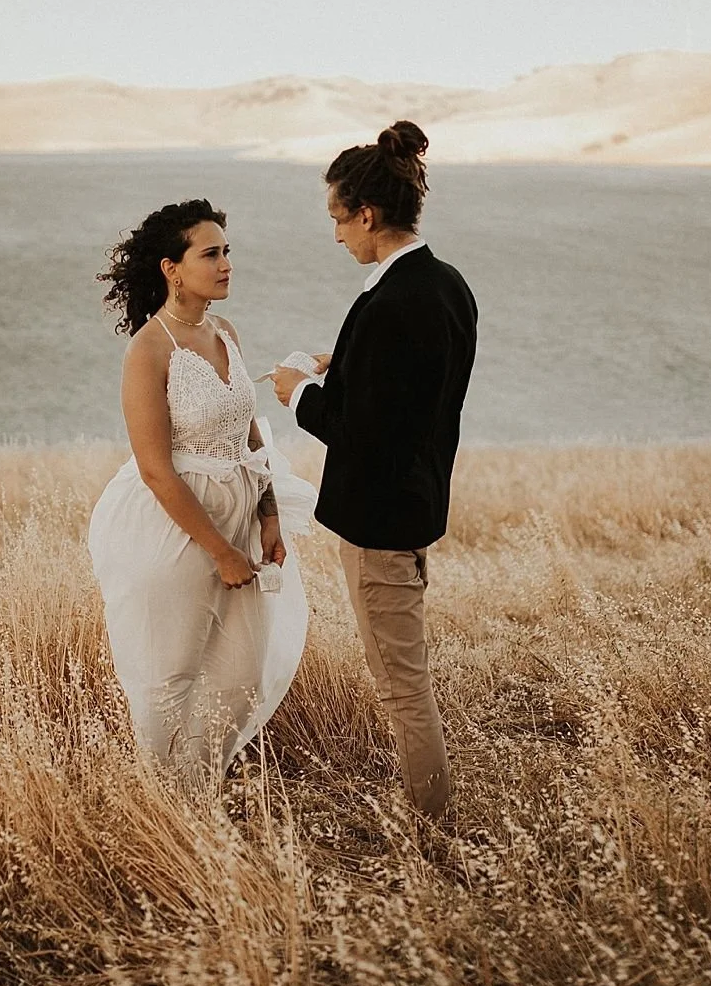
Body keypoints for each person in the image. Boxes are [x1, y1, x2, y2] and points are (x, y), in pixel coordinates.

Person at [270, 122, 477, 820]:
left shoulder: (389, 302)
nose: (336, 236)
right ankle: (432, 815)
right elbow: (418, 388)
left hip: (381, 525)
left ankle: (432, 829)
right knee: (407, 678)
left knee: (402, 688)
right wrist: (345, 363)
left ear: (366, 214)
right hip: (418, 505)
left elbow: (360, 434)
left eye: (338, 219)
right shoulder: (446, 285)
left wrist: (297, 391)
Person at [88, 199, 315, 796]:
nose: (225, 264)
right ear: (172, 268)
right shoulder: (148, 349)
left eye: (226, 252)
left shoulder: (225, 332)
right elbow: (155, 469)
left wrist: (268, 514)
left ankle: (199, 787)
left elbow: (249, 429)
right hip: (177, 525)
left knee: (242, 673)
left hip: (243, 512)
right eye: (210, 254)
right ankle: (169, 806)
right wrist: (220, 551)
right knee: (170, 674)